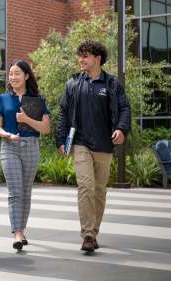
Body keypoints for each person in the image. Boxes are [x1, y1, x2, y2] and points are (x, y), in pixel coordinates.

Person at [55, 40, 131, 252]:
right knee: (86, 186)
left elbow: (124, 108)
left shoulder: (112, 84)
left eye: (85, 56)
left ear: (97, 58)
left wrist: (122, 129)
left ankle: (94, 232)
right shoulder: (73, 84)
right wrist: (61, 139)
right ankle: (87, 234)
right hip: (80, 144)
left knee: (99, 191)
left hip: (105, 145)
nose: (81, 60)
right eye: (80, 56)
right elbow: (63, 112)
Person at [0, 59, 50, 251]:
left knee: (26, 192)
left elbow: (45, 128)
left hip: (32, 146)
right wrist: (7, 135)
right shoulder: (2, 99)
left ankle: (22, 230)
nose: (13, 77)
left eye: (17, 73)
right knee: (15, 192)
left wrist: (26, 119)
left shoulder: (38, 101)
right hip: (9, 147)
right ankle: (17, 233)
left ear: (26, 76)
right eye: (10, 74)